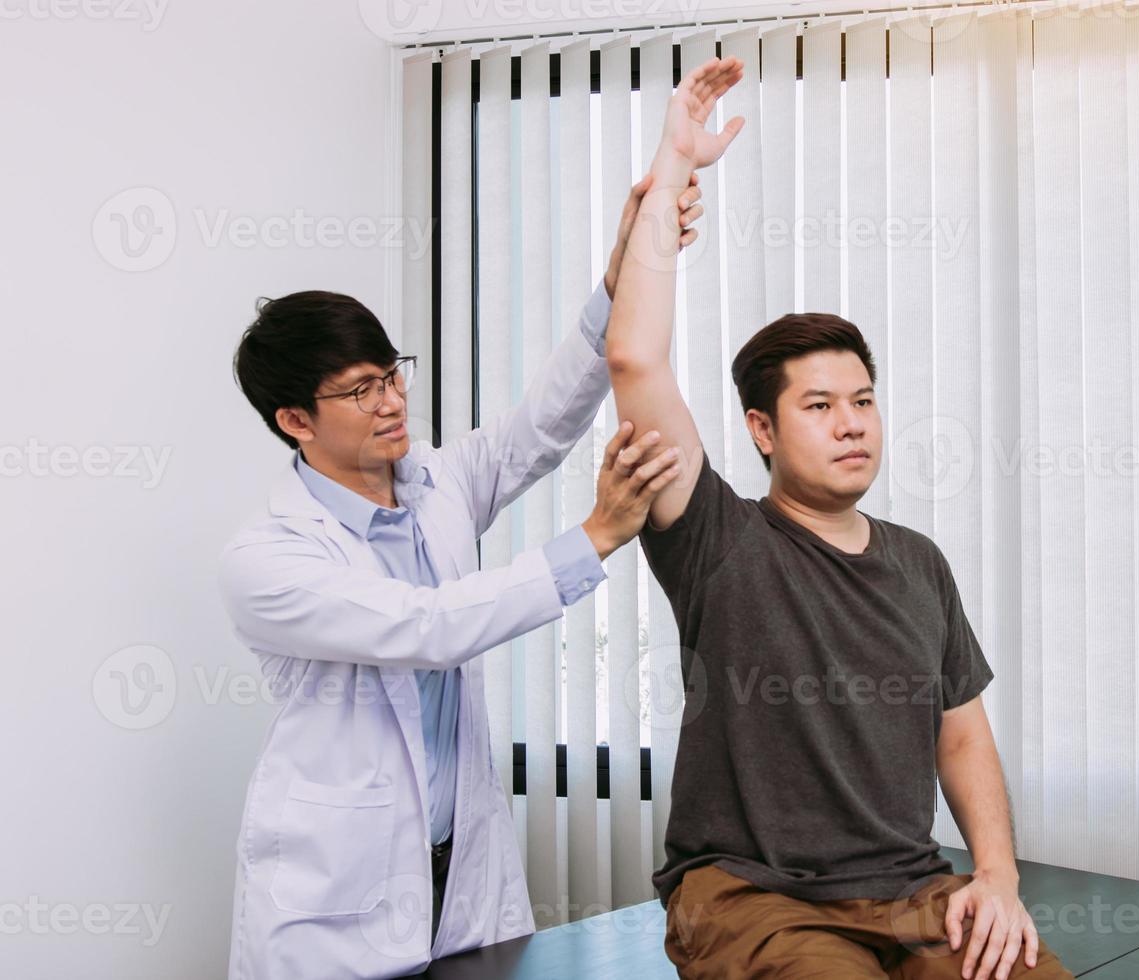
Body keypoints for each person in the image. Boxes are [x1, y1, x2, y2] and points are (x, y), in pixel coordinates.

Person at [603, 57, 1075, 980]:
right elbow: (633, 359)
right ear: (761, 430)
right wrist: (671, 167)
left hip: (909, 888)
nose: (852, 422)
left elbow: (961, 731)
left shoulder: (918, 562)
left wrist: (996, 877)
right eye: (818, 406)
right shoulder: (717, 539)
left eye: (862, 399)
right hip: (750, 897)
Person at [215, 176, 701, 979]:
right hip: (335, 892)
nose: (391, 401)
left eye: (391, 373)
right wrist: (595, 536)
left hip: (459, 870)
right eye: (359, 390)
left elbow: (538, 428)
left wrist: (614, 285)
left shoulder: (436, 485)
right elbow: (425, 627)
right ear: (295, 422)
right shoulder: (268, 559)